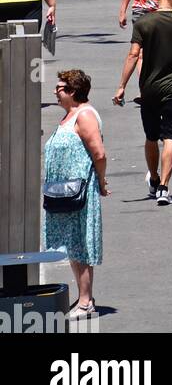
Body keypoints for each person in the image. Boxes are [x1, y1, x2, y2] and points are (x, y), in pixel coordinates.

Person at [113, 0, 172, 207]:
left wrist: (121, 87)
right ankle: (164, 187)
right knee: (170, 136)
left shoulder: (144, 23)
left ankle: (154, 178)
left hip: (149, 88)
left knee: (151, 137)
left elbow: (133, 55)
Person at [44, 69, 108, 318]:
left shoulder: (84, 116)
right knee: (73, 245)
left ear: (72, 91)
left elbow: (99, 154)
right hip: (64, 193)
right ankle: (83, 298)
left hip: (78, 192)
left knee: (80, 244)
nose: (55, 92)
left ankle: (85, 301)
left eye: (59, 88)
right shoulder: (71, 114)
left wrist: (101, 182)